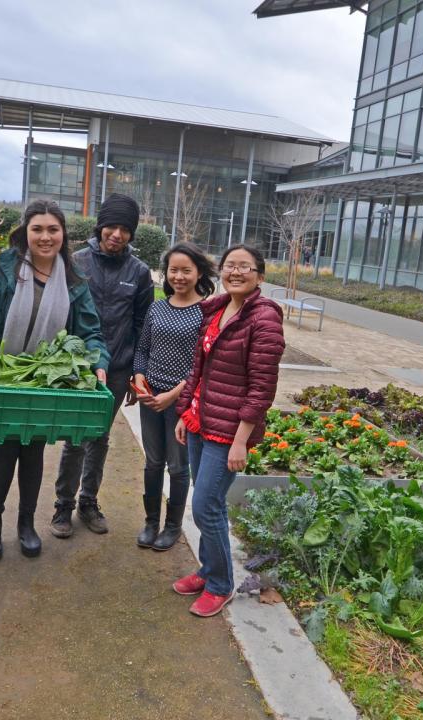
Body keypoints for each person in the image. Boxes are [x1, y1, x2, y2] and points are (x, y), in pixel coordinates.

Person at [0, 199, 108, 561]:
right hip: (7, 374)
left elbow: (91, 332)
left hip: (45, 377)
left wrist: (98, 362)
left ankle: (26, 524)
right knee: (5, 446)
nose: (45, 236)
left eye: (52, 229)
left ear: (63, 235)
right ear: (25, 232)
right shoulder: (7, 268)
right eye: (37, 229)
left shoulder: (74, 278)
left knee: (34, 448)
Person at [171, 244, 284, 617]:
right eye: (229, 265)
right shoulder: (217, 309)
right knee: (206, 504)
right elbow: (197, 369)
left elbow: (262, 387)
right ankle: (208, 570)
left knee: (206, 506)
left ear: (260, 276)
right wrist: (186, 412)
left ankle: (221, 586)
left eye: (244, 267)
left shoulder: (264, 319)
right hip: (203, 421)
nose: (235, 272)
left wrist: (241, 441)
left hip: (229, 432)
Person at [52, 193, 154, 538]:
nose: (117, 234)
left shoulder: (139, 272)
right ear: (100, 226)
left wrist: (135, 374)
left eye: (125, 229)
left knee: (100, 436)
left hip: (118, 369)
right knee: (76, 437)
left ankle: (88, 501)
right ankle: (63, 505)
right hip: (79, 368)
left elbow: (142, 325)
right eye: (112, 225)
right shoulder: (76, 262)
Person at [131, 242, 216, 551]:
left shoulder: (206, 312)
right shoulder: (158, 306)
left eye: (186, 270)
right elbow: (142, 349)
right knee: (153, 462)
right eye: (173, 270)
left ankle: (172, 526)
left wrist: (174, 395)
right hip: (150, 397)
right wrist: (139, 377)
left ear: (199, 273)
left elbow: (203, 364)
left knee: (178, 467)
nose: (178, 276)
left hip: (182, 401)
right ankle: (151, 521)